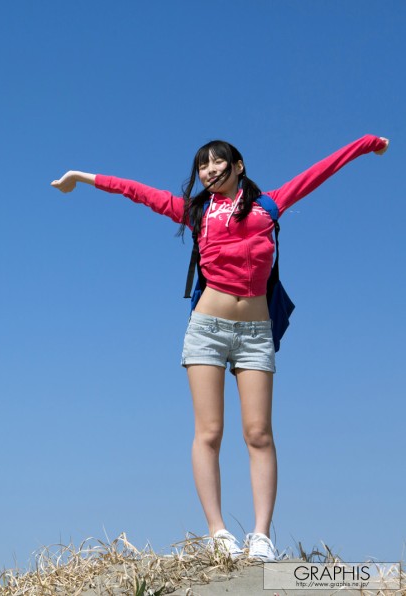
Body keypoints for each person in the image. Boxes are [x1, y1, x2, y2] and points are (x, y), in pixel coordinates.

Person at [51, 134, 390, 561]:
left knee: (259, 434)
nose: (209, 170)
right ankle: (218, 532)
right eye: (202, 166)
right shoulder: (196, 212)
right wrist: (81, 177)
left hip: (255, 334)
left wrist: (366, 145)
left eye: (217, 161)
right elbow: (135, 191)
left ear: (238, 165)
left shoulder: (269, 205)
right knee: (209, 432)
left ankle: (261, 536)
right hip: (207, 330)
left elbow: (319, 173)